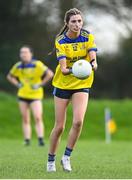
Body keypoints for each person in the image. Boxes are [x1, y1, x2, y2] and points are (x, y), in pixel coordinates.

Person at [47, 8, 98, 172]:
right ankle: (50, 160)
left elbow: (92, 54)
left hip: (82, 83)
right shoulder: (60, 40)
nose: (77, 24)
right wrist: (75, 69)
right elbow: (63, 68)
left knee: (78, 122)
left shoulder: (87, 35)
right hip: (63, 83)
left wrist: (93, 63)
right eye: (74, 21)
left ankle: (66, 157)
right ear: (67, 23)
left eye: (79, 21)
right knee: (60, 126)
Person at [7, 45, 54, 146]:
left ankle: (40, 139)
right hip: (22, 94)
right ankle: (27, 140)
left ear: (31, 54)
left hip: (35, 95)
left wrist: (40, 84)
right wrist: (17, 84)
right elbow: (10, 76)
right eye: (21, 52)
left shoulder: (37, 64)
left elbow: (50, 74)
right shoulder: (18, 65)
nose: (23, 54)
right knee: (25, 118)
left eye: (25, 52)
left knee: (37, 117)